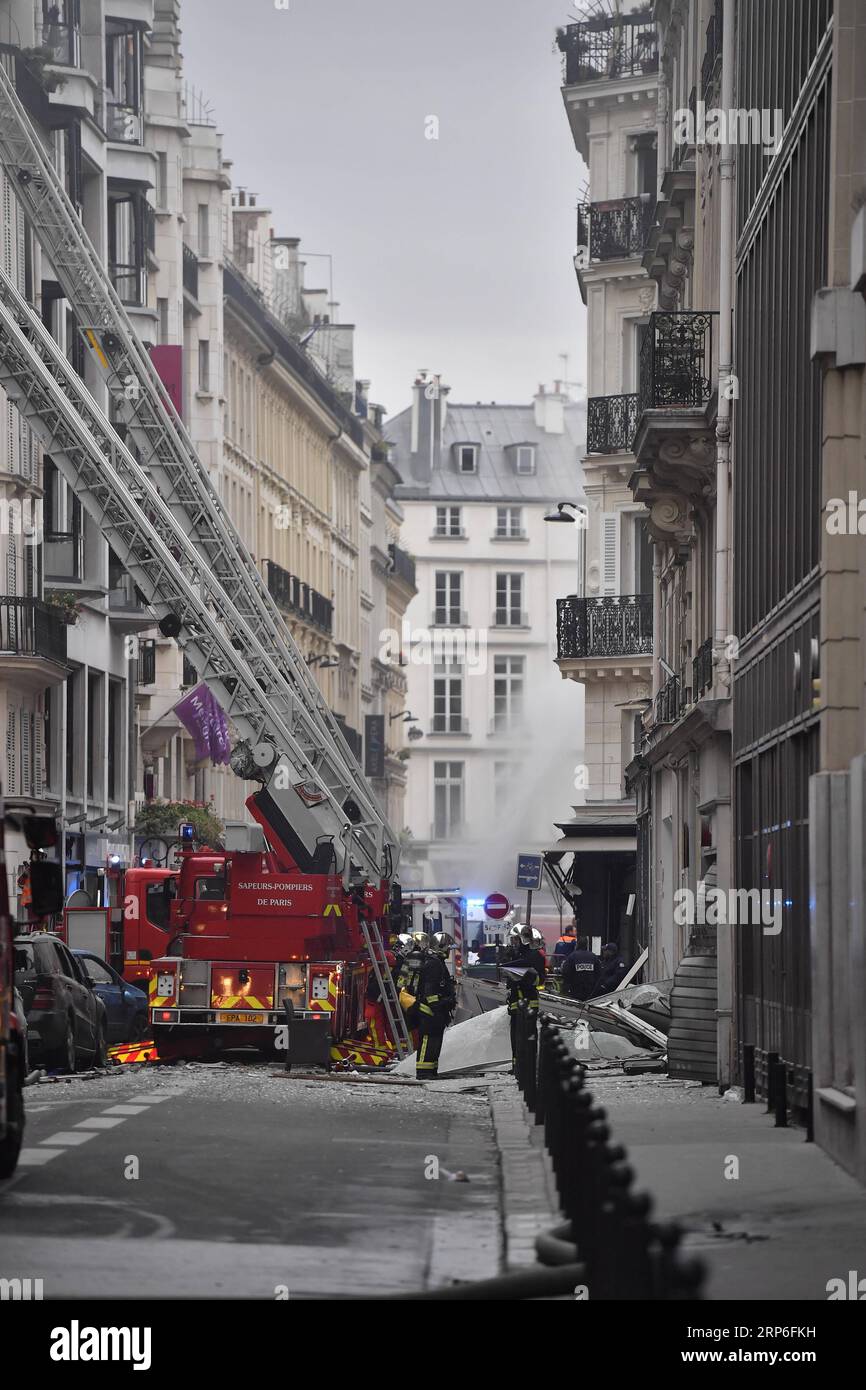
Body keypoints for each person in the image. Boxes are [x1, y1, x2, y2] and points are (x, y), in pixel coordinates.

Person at [501, 925, 546, 1071]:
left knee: (526, 1035)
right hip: (515, 1000)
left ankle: (526, 1066)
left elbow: (540, 979)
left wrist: (523, 977)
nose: (513, 943)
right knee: (515, 1036)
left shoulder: (535, 957)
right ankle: (517, 1066)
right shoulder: (517, 956)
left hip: (528, 1000)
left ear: (522, 940)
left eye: (515, 940)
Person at [414, 931, 455, 1078]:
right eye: (448, 948)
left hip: (437, 1010)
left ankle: (431, 1070)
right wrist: (437, 1007)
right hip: (430, 1011)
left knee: (434, 1041)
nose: (449, 951)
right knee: (428, 1040)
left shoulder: (437, 961)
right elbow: (430, 990)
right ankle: (423, 1071)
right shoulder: (433, 963)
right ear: (441, 946)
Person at [561, 935, 601, 1001]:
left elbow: (566, 972)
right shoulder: (593, 957)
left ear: (577, 944)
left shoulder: (572, 956)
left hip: (575, 990)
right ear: (586, 945)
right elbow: (599, 973)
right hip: (590, 991)